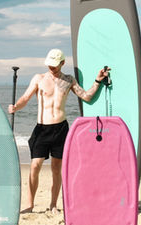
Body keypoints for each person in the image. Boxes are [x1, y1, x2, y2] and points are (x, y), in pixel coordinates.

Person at [8, 48, 109, 213]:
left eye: (55, 65)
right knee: (35, 165)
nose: (51, 67)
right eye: (49, 64)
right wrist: (16, 107)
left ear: (62, 63)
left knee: (57, 168)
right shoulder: (38, 79)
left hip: (60, 128)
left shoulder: (69, 80)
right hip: (41, 128)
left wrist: (97, 81)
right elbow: (25, 98)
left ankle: (53, 205)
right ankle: (30, 205)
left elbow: (86, 97)